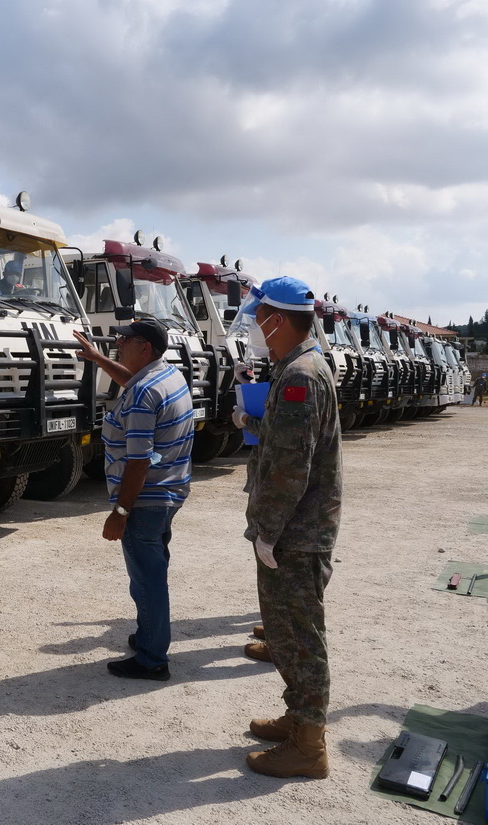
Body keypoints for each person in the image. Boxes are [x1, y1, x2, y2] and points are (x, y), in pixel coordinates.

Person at [230, 276, 342, 780]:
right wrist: (247, 423)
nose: (256, 326)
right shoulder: (296, 368)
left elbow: (291, 465)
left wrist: (268, 530)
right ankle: (299, 720)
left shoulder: (300, 374)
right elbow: (284, 440)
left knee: (301, 636)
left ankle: (309, 746)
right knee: (286, 631)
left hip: (296, 532)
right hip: (295, 527)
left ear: (278, 319)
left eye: (259, 318)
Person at [74, 318, 194, 681]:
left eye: (122, 340)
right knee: (152, 570)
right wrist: (98, 359)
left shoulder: (144, 395)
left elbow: (139, 461)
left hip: (146, 500)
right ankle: (148, 636)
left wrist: (120, 512)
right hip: (169, 492)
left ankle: (152, 658)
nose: (116, 343)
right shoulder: (167, 376)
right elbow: (133, 382)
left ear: (144, 347)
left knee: (147, 579)